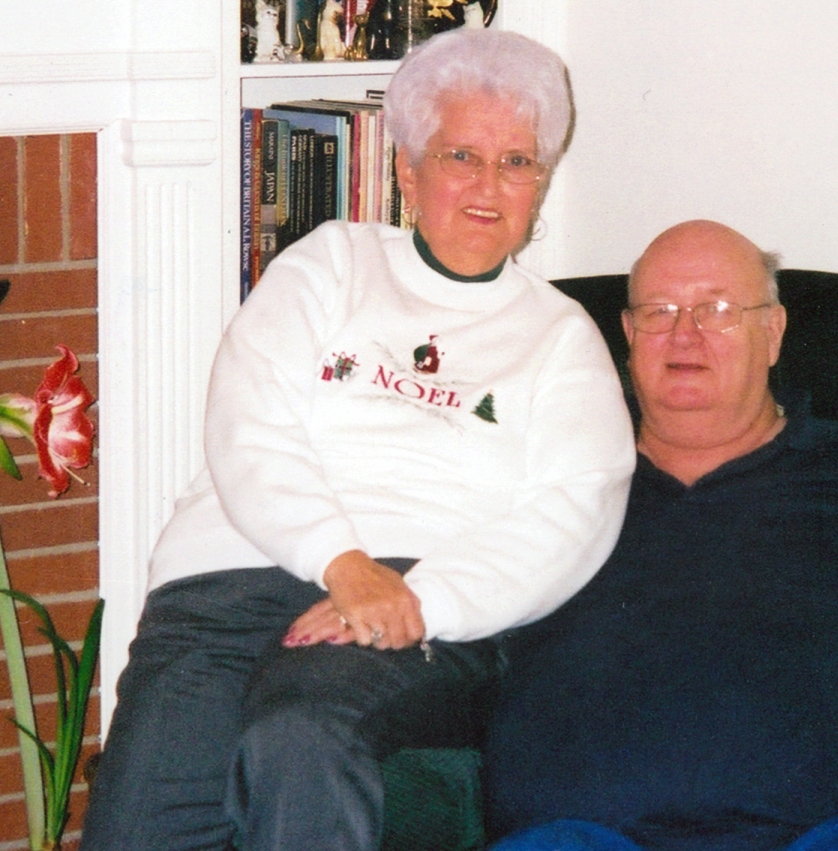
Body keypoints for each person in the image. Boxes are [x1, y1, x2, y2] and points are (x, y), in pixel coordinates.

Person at [81, 28, 635, 851]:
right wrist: (341, 562)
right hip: (228, 582)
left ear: (542, 184)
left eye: (517, 163)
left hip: (416, 601)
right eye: (460, 156)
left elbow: (574, 513)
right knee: (139, 828)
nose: (489, 185)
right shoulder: (329, 263)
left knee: (300, 737)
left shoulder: (559, 336)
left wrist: (419, 601)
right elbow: (248, 422)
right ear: (407, 170)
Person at [483, 220, 838, 851]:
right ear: (626, 334)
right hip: (583, 840)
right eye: (658, 311)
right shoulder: (557, 478)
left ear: (773, 331)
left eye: (718, 310)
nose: (684, 333)